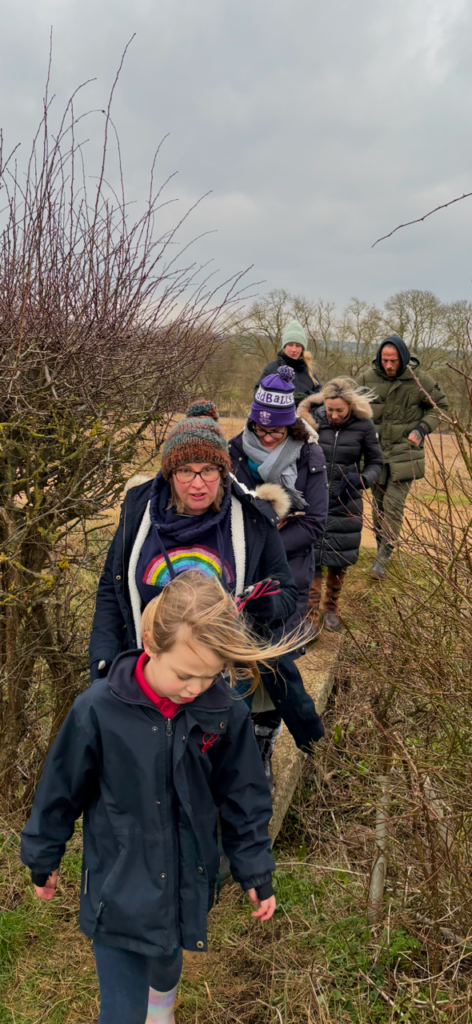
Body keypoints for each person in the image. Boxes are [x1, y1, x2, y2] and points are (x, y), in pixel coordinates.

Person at [21, 571, 298, 1024]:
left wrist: (254, 868)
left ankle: (162, 1008)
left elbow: (244, 797)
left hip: (185, 874)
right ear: (151, 644)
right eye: (185, 675)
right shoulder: (98, 708)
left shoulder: (224, 712)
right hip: (117, 878)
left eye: (210, 677)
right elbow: (60, 787)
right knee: (121, 1009)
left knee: (168, 955)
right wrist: (43, 855)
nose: (195, 688)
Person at [89, 401, 324, 766]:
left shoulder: (250, 519)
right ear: (169, 472)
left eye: (209, 470)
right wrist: (103, 659)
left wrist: (264, 606)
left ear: (223, 470)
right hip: (151, 671)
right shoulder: (139, 513)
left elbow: (286, 592)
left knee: (216, 771)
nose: (198, 483)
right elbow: (111, 586)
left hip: (223, 679)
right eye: (185, 470)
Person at [229, 364, 328, 638]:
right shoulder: (233, 452)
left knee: (280, 647)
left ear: (290, 426)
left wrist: (266, 547)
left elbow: (314, 524)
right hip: (240, 565)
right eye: (260, 430)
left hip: (288, 568)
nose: (268, 438)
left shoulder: (310, 457)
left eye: (277, 431)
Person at [357, 335, 448, 579]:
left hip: (404, 453)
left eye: (393, 360)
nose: (388, 365)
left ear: (403, 358)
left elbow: (440, 408)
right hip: (375, 454)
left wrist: (421, 429)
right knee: (378, 508)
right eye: (385, 360)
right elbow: (348, 405)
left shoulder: (419, 379)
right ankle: (380, 550)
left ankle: (383, 558)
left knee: (393, 506)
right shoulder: (366, 379)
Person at [299, 378, 383, 631]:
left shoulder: (364, 426)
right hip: (312, 499)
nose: (333, 415)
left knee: (338, 557)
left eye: (339, 411)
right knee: (311, 556)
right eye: (329, 409)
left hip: (346, 500)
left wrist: (361, 480)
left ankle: (332, 608)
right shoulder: (311, 421)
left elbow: (376, 463)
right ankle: (311, 615)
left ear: (350, 406)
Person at [256, 320, 321, 405]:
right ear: (284, 346)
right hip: (278, 417)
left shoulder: (309, 372)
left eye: (298, 346)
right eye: (290, 345)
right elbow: (257, 394)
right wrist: (283, 399)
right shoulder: (271, 368)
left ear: (302, 349)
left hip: (303, 417)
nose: (294, 350)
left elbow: (321, 396)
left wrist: (307, 398)